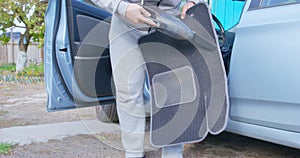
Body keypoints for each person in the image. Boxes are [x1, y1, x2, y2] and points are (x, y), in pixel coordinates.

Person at [91, 0, 202, 157]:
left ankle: (173, 153)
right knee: (128, 92)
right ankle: (133, 152)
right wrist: (121, 7)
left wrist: (193, 2)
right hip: (127, 24)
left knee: (174, 94)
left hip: (169, 24)